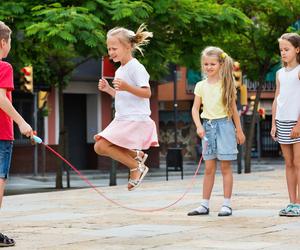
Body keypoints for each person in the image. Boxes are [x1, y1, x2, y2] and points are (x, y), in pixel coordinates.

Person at [94, 24, 158, 191]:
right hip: (123, 117)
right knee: (100, 146)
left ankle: (136, 166)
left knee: (101, 145)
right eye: (109, 49)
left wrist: (126, 87)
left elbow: (147, 93)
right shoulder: (120, 70)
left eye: (114, 48)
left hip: (134, 118)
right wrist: (109, 89)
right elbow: (123, 96)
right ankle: (137, 156)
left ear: (128, 46)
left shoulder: (136, 67)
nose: (111, 52)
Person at [187, 46, 245, 217]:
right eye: (206, 64)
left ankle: (226, 204)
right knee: (209, 168)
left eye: (212, 64)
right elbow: (194, 109)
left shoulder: (227, 84)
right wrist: (199, 126)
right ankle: (204, 204)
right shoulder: (200, 85)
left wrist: (239, 131)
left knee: (226, 166)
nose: (209, 67)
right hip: (208, 127)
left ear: (220, 64)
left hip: (225, 126)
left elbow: (233, 109)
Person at [0, 21, 33, 247]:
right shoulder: (4, 67)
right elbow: (1, 98)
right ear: (3, 42)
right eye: (10, 41)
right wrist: (21, 122)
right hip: (2, 135)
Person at [271, 33, 300, 217]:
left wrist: (299, 123)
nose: (283, 53)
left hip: (296, 122)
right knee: (288, 163)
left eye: (287, 49)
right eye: (281, 50)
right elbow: (277, 98)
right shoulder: (279, 73)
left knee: (299, 163)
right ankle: (291, 202)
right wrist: (273, 122)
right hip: (282, 121)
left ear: (297, 49)